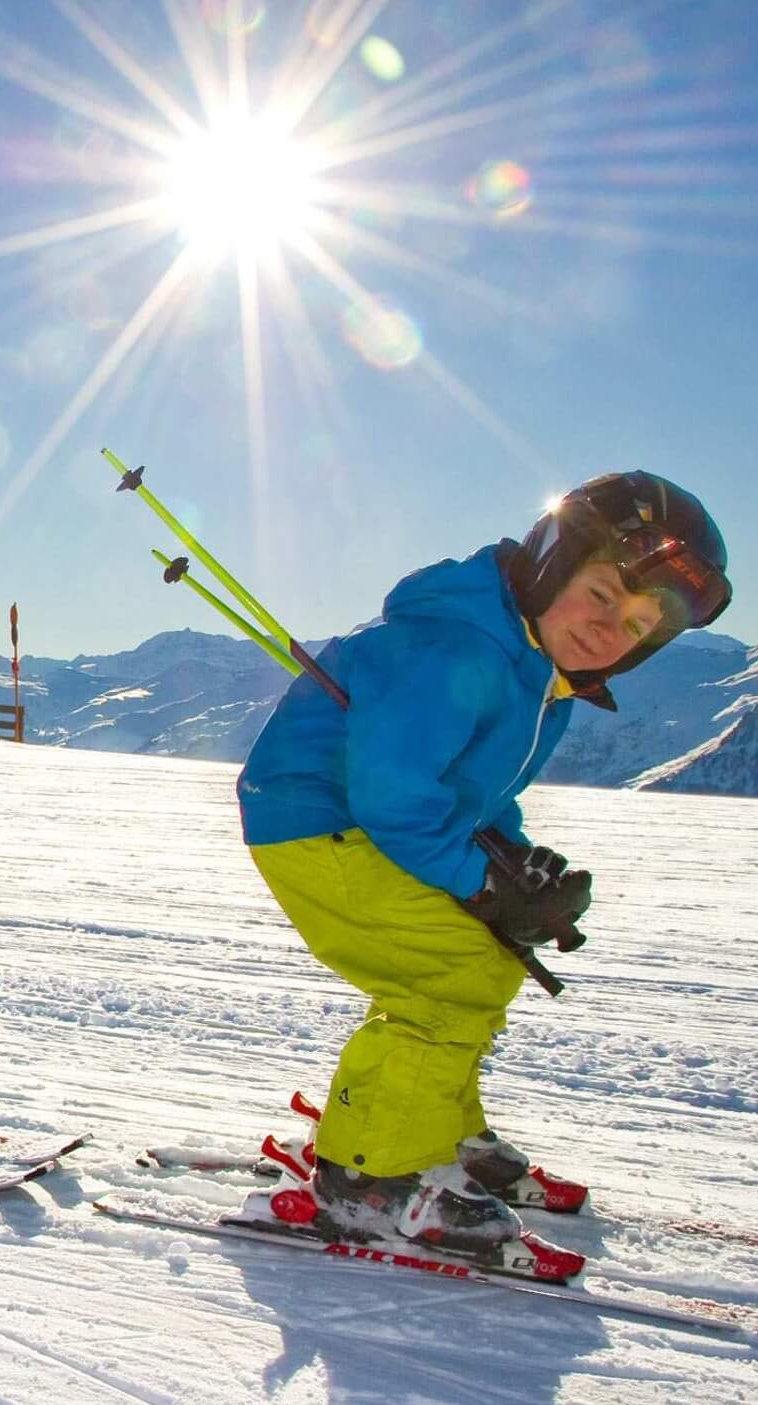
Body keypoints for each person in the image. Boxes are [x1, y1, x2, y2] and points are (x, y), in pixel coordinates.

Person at [237, 471, 731, 1267]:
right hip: (319, 821)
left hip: (371, 822)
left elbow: (472, 790)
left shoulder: (537, 672)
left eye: (636, 624)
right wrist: (477, 881)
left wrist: (514, 864)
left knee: (487, 958)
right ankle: (374, 1176)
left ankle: (436, 1130)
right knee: (447, 974)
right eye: (600, 594)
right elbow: (395, 794)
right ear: (550, 564)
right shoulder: (455, 647)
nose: (608, 629)